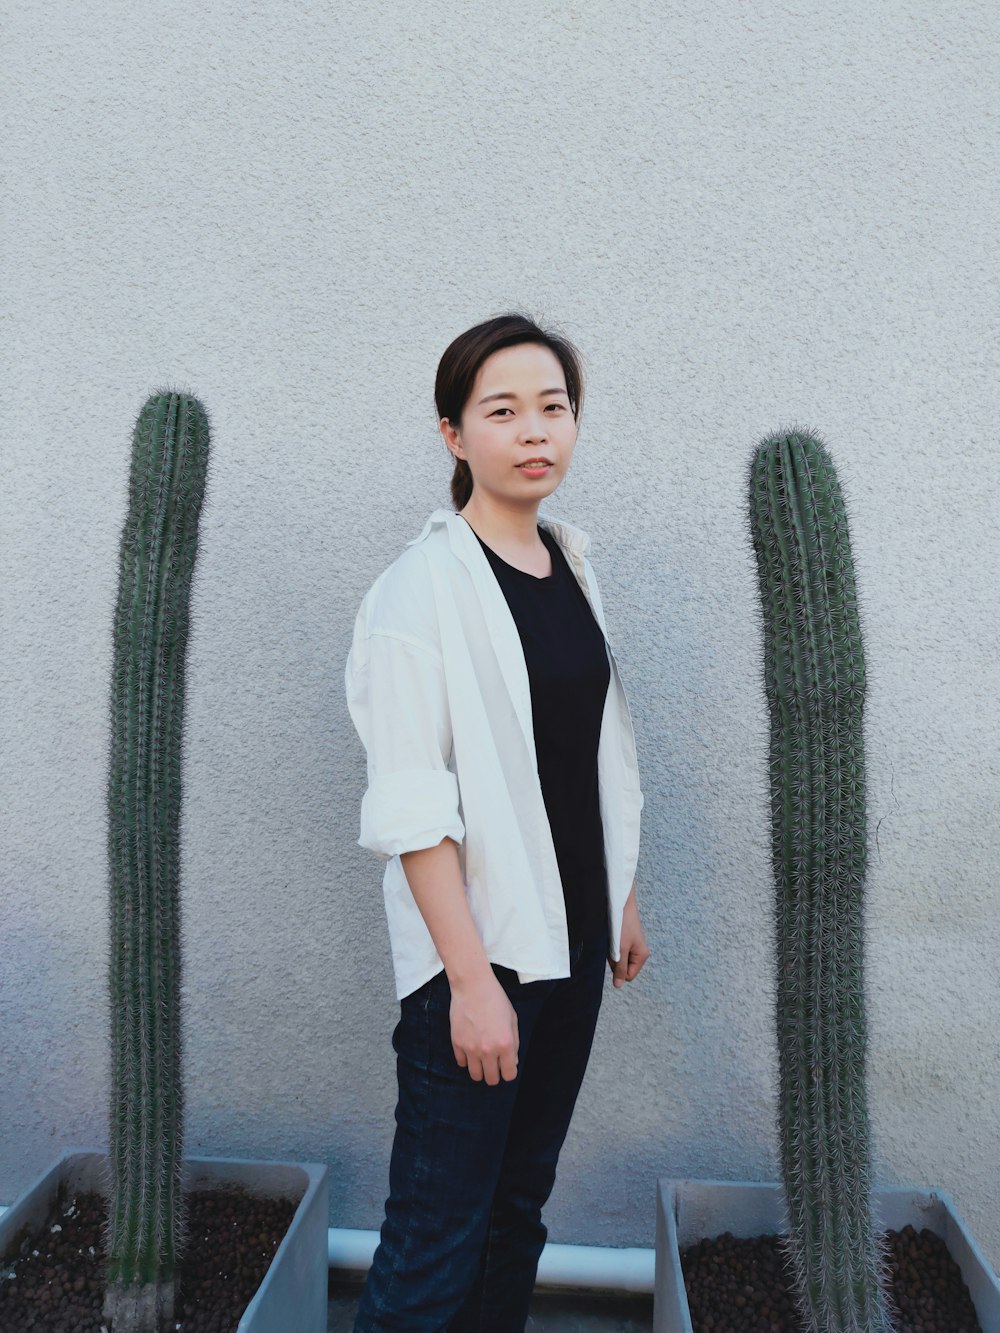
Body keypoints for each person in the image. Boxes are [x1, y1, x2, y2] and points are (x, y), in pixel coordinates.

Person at [344, 312, 649, 1332]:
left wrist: (621, 893)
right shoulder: (418, 591)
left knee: (515, 1213)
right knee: (435, 1240)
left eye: (553, 408)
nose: (535, 431)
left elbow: (582, 749)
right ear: (451, 433)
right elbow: (411, 807)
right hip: (476, 966)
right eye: (503, 409)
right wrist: (471, 985)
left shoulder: (569, 562)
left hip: (569, 946)